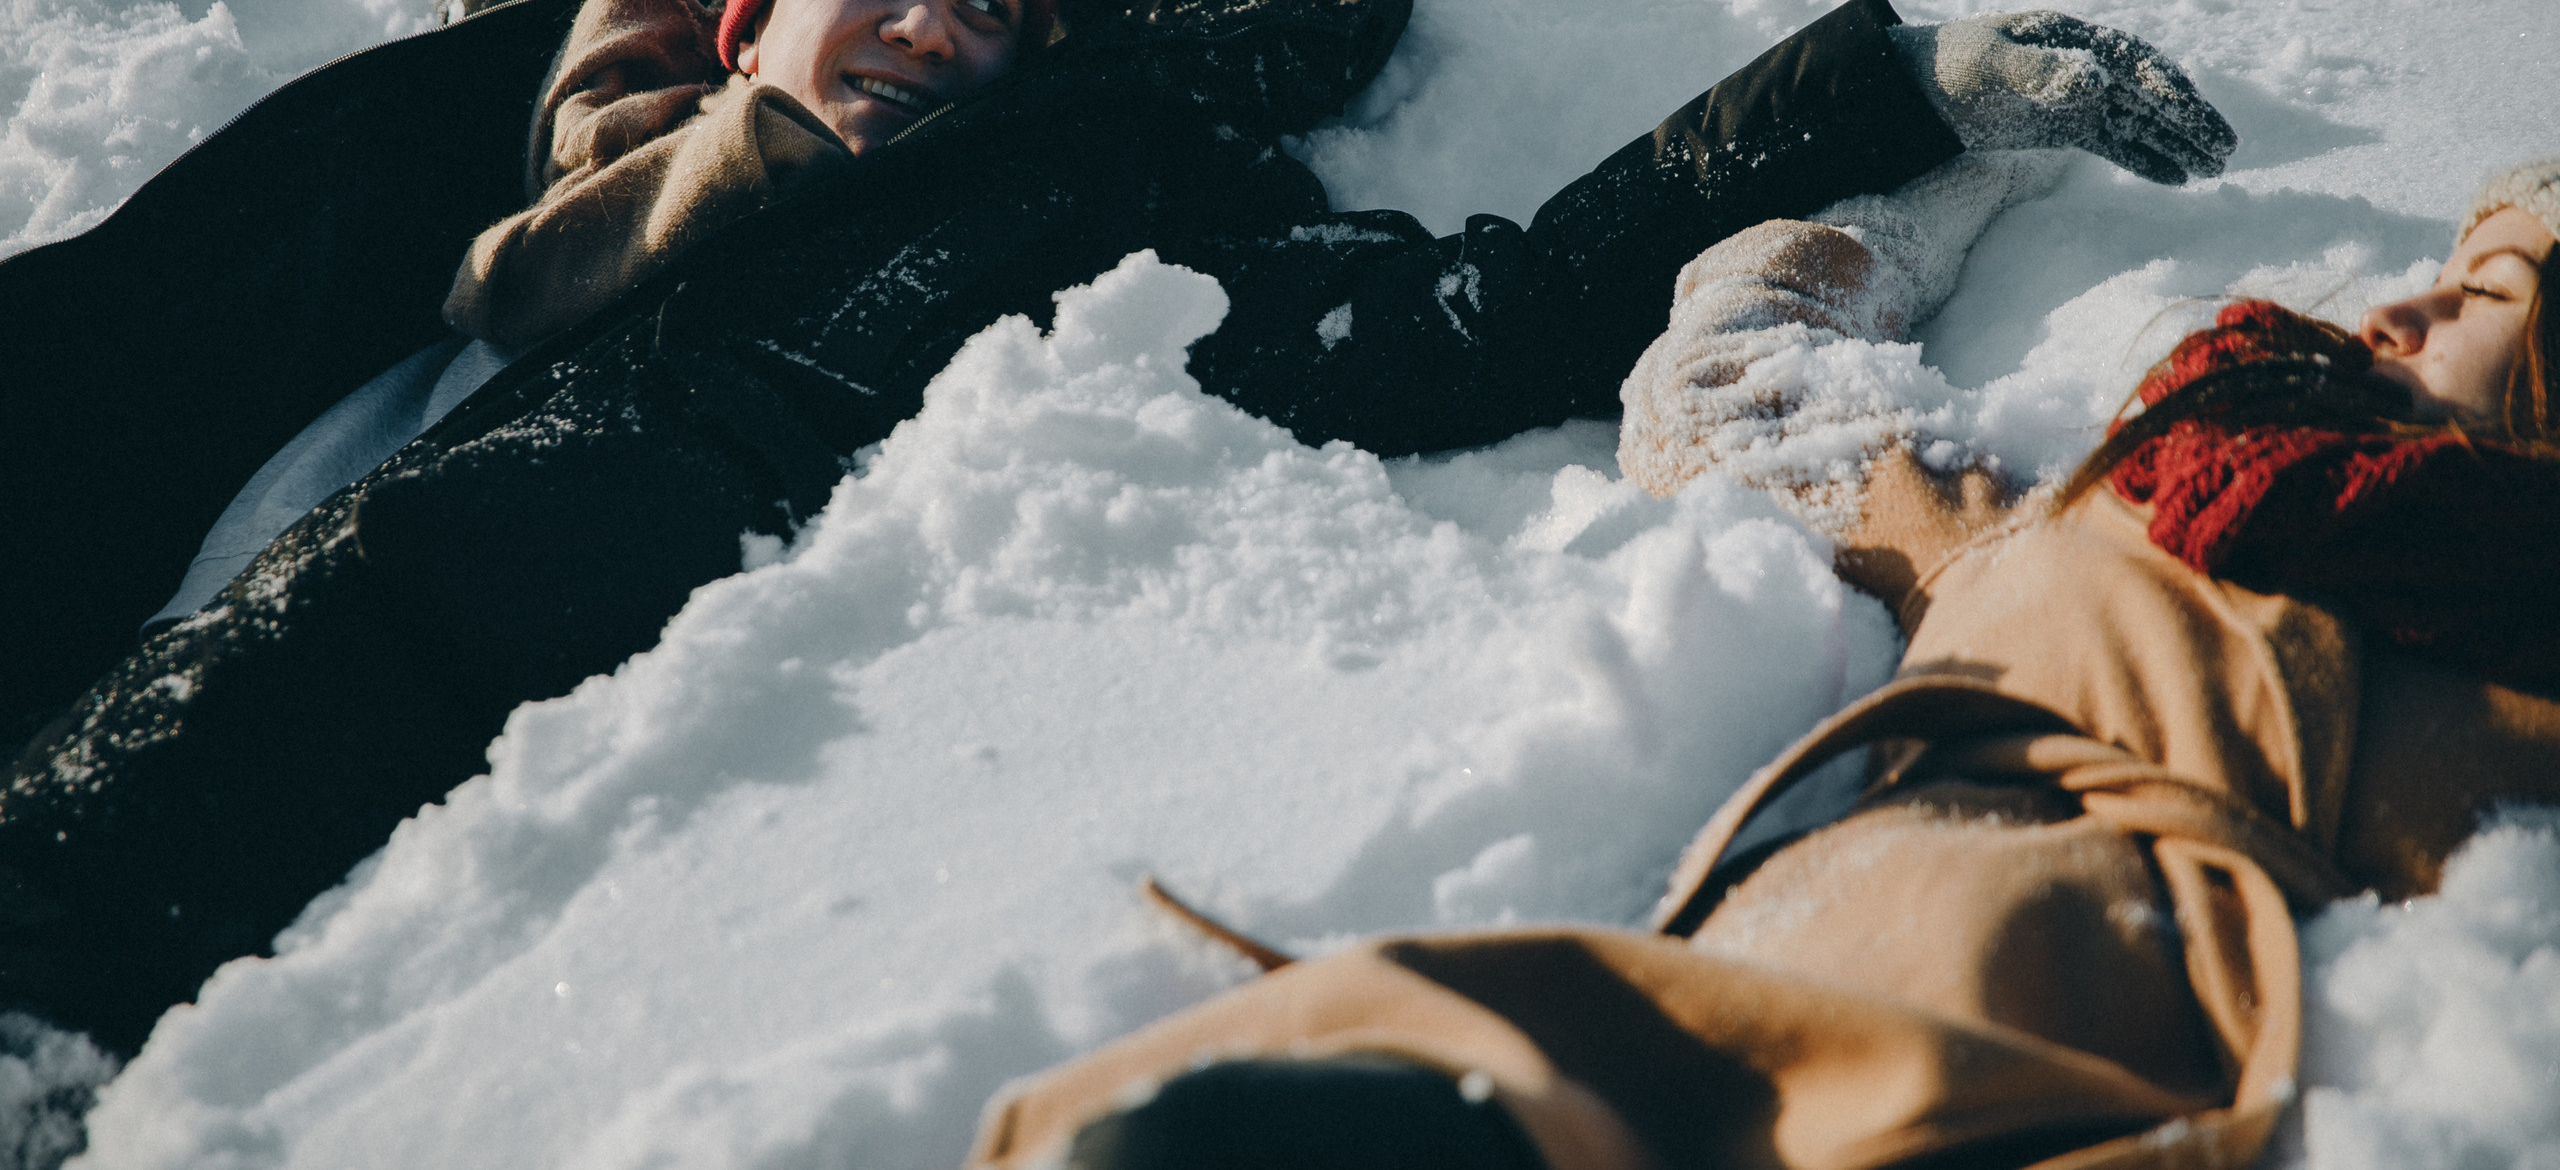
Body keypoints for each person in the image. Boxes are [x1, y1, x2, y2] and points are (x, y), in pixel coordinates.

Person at [0, 0, 2235, 1054]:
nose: (927, 29)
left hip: (329, 732)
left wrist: (1887, 84)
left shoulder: (1038, 219)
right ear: (753, 8)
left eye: (986, 4)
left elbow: (1501, 299)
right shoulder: (565, 139)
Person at [959, 158, 2560, 1170]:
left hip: (2035, 1052)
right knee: (1194, 1139)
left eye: (2491, 291)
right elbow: (1739, 398)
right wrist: (1895, 205)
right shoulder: (2128, 495)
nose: (2407, 304)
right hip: (1760, 994)